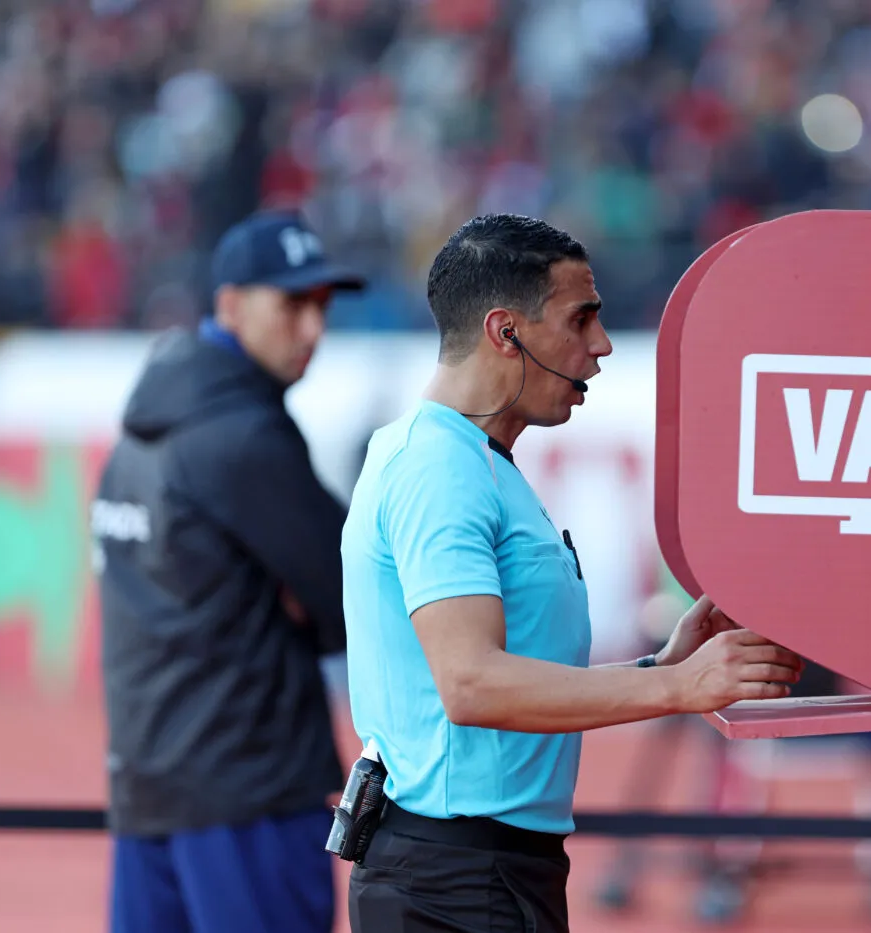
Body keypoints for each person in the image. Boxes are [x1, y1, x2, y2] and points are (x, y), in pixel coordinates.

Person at [340, 213, 805, 933]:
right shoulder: (439, 466)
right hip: (456, 878)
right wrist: (678, 686)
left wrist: (662, 666)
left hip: (477, 869)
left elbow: (499, 678)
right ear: (506, 332)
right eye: (581, 319)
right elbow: (471, 684)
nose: (602, 344)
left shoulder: (470, 460)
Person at [93, 209, 368, 933]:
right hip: (249, 792)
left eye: (322, 306)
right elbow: (358, 600)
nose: (313, 329)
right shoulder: (244, 434)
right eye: (293, 305)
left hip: (146, 790)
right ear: (230, 304)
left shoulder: (141, 430)